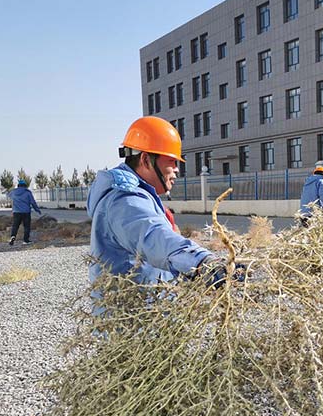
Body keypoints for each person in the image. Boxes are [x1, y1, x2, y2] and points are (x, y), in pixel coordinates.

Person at [86, 116, 228, 314]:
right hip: (131, 330)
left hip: (146, 320)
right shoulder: (124, 201)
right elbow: (153, 236)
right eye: (171, 162)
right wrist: (202, 263)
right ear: (145, 159)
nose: (177, 170)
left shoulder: (140, 196)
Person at [8, 178, 41, 245]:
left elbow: (8, 195)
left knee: (15, 226)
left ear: (18, 185)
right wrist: (37, 209)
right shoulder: (28, 192)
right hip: (26, 212)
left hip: (16, 212)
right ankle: (26, 240)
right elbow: (33, 202)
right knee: (26, 226)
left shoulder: (13, 192)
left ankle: (13, 236)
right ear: (25, 185)